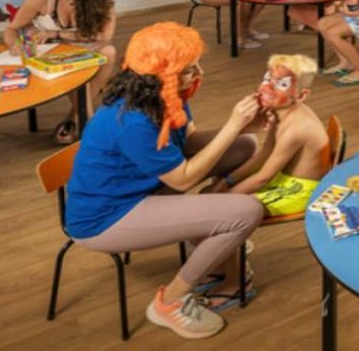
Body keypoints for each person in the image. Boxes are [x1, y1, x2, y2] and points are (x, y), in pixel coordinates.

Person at [65, 23, 266, 339]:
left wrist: (243, 127)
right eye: (189, 69)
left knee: (246, 145)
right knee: (247, 211)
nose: (199, 73)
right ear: (160, 75)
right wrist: (231, 125)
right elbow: (183, 179)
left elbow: (189, 139)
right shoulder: (132, 120)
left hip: (143, 189)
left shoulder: (164, 94)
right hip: (106, 218)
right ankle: (170, 302)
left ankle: (209, 233)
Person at [3, 0, 117, 144]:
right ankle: (87, 121)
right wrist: (16, 45)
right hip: (55, 51)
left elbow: (104, 36)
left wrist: (57, 33)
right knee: (74, 67)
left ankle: (74, 116)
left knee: (109, 52)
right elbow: (12, 29)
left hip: (83, 46)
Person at [207, 54, 329, 216]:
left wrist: (223, 198)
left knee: (218, 211)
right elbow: (264, 155)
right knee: (210, 193)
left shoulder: (294, 130)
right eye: (267, 78)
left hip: (298, 191)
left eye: (282, 84)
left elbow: (263, 178)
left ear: (301, 95)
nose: (267, 87)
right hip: (281, 175)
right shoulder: (280, 112)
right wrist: (227, 180)